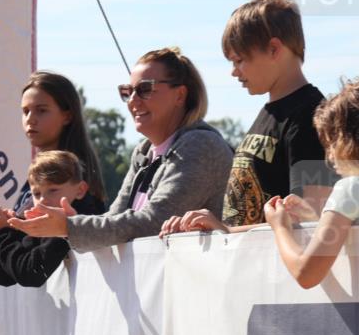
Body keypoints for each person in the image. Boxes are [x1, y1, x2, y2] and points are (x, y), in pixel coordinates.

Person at [15, 47, 233, 251]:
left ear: (180, 95)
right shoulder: (144, 152)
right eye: (127, 91)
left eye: (145, 89)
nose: (132, 101)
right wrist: (69, 223)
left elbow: (154, 222)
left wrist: (69, 226)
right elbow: (115, 217)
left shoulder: (201, 145)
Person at [161, 0, 331, 236]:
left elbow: (313, 220)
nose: (233, 72)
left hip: (279, 271)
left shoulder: (311, 117)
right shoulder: (269, 113)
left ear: (274, 49)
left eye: (239, 60)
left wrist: (226, 231)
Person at [0, 70, 106, 247]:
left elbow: (45, 248)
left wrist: (4, 233)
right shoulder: (41, 170)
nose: (31, 119)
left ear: (67, 116)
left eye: (41, 111)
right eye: (25, 111)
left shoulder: (73, 172)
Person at [265, 78, 359, 288]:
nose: (329, 156)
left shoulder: (350, 188)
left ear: (346, 140)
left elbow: (306, 273)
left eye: (330, 143)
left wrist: (280, 228)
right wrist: (317, 219)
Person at [0, 151, 106, 287]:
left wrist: (3, 234)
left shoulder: (74, 221)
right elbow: (5, 278)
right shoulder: (42, 221)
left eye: (53, 190)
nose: (43, 200)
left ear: (80, 190)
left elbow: (30, 274)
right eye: (36, 193)